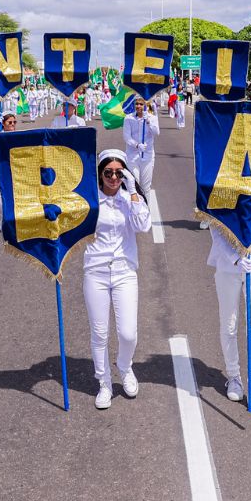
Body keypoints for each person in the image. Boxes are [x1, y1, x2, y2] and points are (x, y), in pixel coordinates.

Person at [85, 149, 152, 409]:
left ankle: (125, 366)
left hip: (125, 271)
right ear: (100, 174)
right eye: (108, 172)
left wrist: (133, 191)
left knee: (128, 333)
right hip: (96, 271)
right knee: (99, 334)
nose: (114, 178)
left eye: (119, 173)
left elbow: (143, 226)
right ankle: (104, 382)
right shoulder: (90, 200)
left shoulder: (129, 198)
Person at [209, 227, 251, 416]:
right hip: (228, 268)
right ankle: (234, 377)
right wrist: (235, 258)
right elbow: (216, 232)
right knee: (229, 326)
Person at [124, 96, 160, 192]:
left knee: (145, 187)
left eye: (141, 104)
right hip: (132, 156)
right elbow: (127, 137)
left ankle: (146, 202)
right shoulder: (128, 118)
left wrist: (148, 121)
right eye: (137, 104)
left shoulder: (152, 118)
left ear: (146, 105)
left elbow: (156, 133)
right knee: (133, 184)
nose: (138, 106)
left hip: (147, 156)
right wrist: (136, 145)